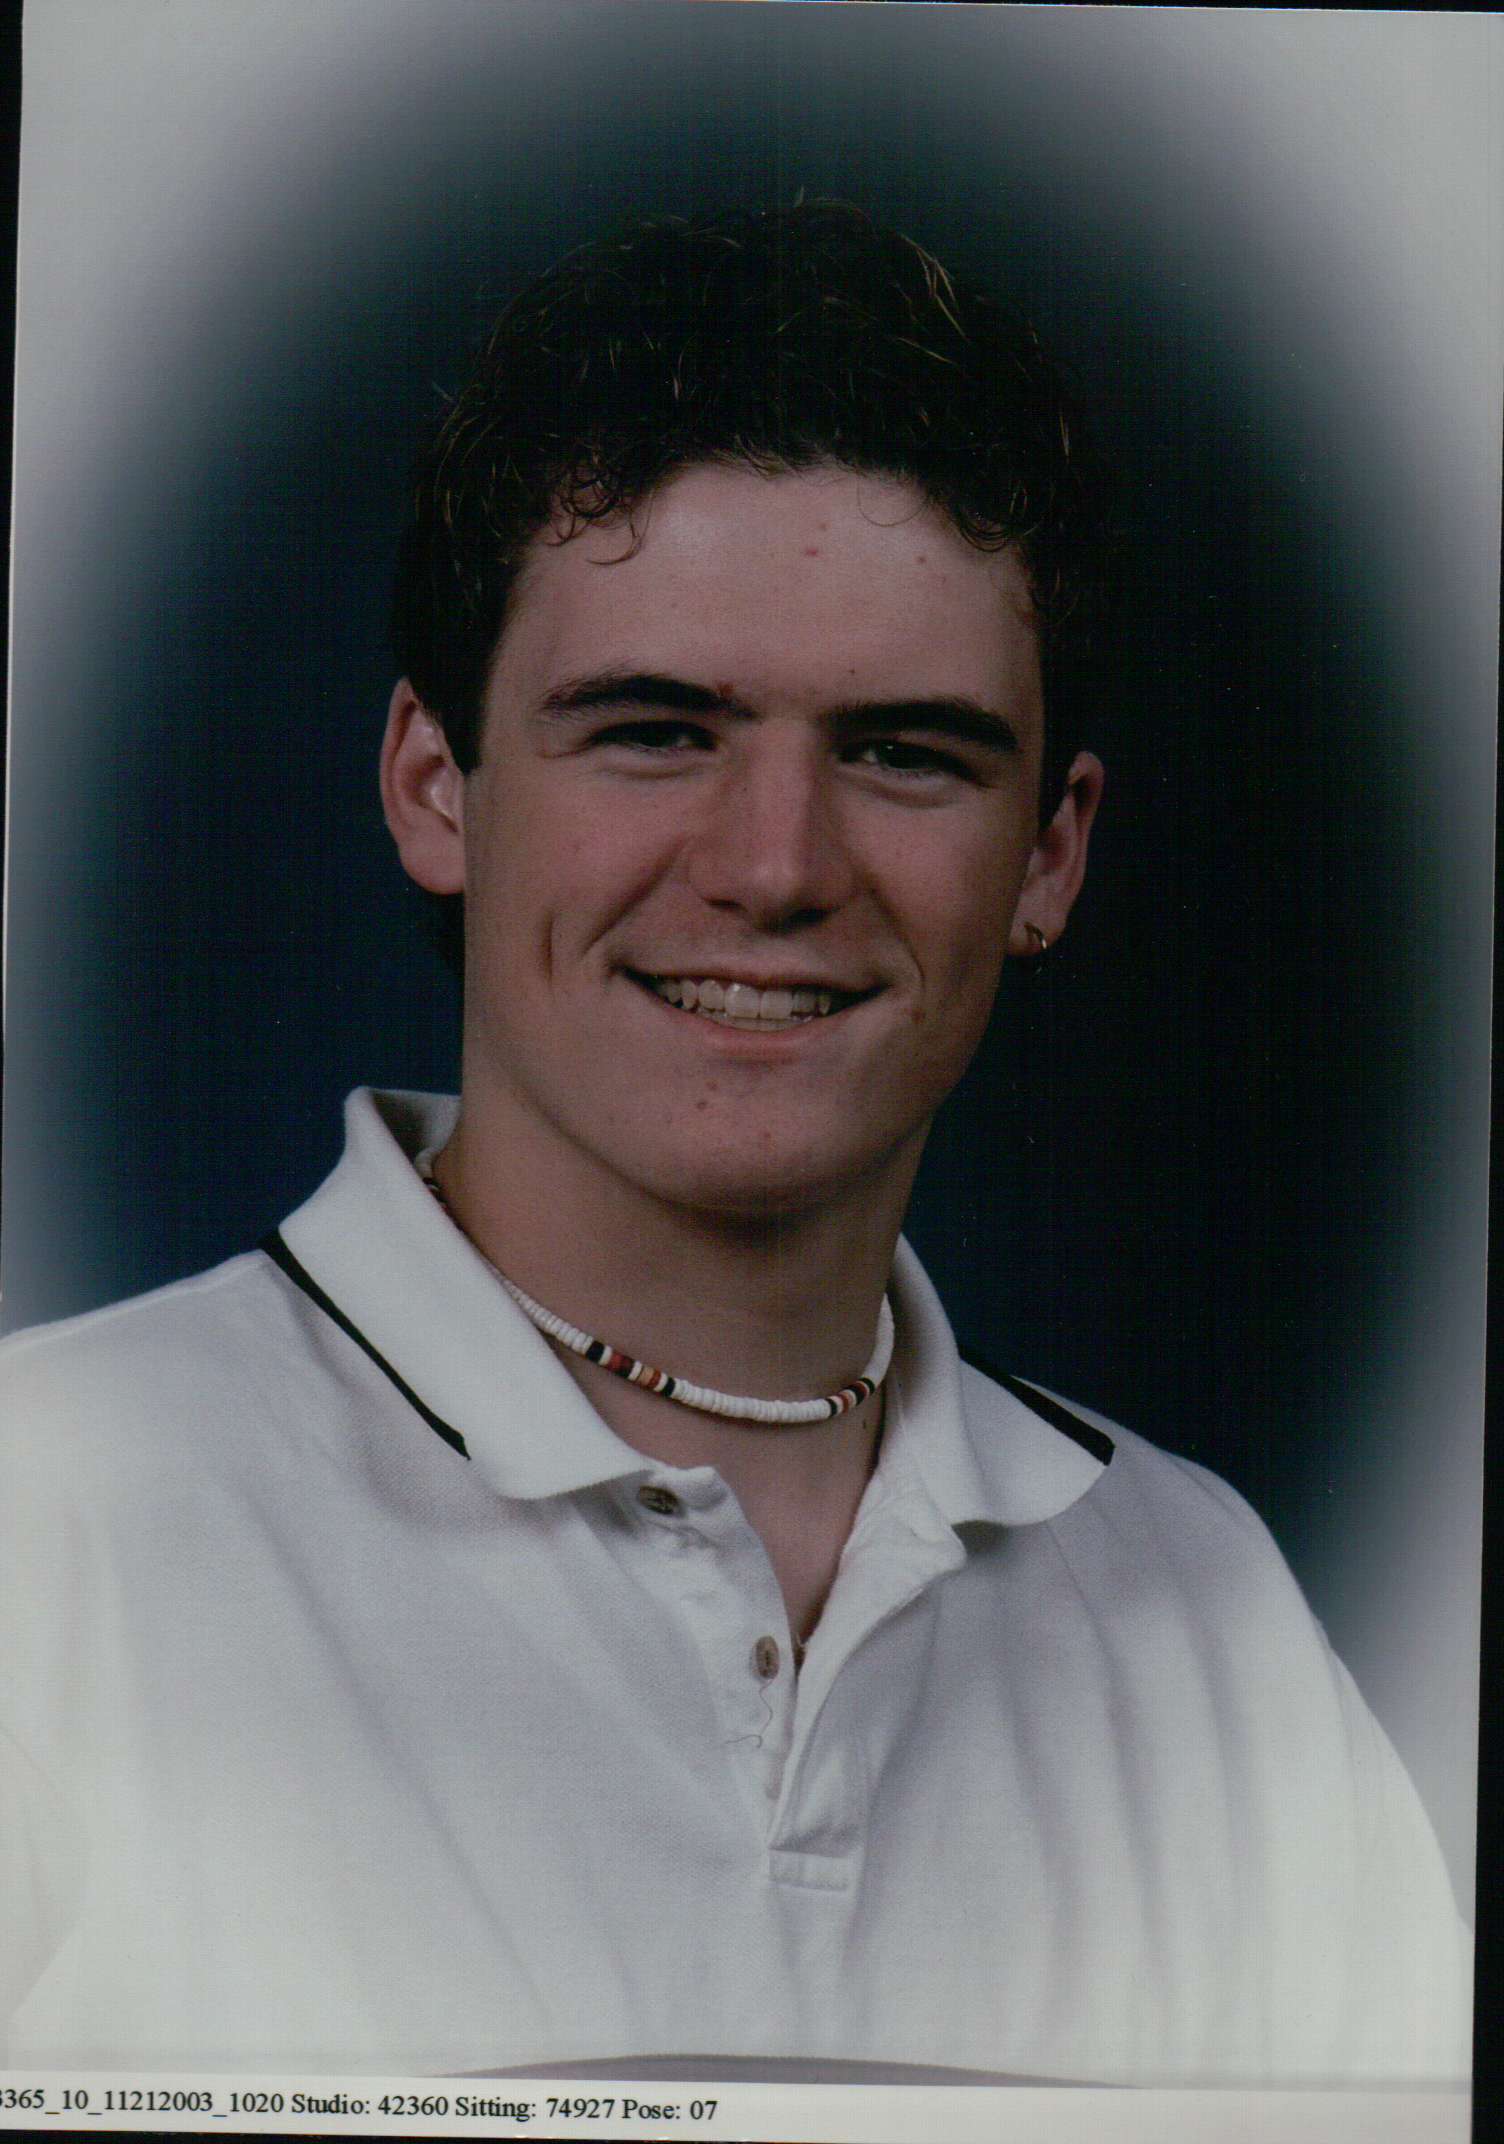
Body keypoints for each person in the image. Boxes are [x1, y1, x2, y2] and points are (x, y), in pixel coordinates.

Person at [0, 205, 1469, 2085]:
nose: (776, 868)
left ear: (1050, 856)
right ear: (434, 786)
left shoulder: (1213, 1631)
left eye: (906, 752)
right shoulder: (50, 1526)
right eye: (654, 731)